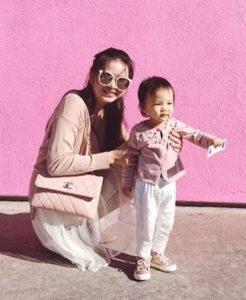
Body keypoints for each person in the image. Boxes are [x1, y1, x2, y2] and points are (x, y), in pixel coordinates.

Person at [29, 48, 183, 272]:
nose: (113, 86)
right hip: (52, 204)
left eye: (122, 82)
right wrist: (110, 157)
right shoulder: (74, 103)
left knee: (137, 161)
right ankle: (75, 232)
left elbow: (134, 147)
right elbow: (56, 164)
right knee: (124, 165)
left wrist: (169, 141)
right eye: (106, 77)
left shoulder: (111, 111)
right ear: (92, 76)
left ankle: (150, 247)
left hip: (75, 196)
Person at [121, 76, 223, 281]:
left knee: (166, 220)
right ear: (143, 107)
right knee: (146, 222)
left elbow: (195, 134)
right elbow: (130, 157)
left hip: (169, 183)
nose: (164, 108)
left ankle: (157, 253)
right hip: (146, 185)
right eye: (158, 103)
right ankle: (142, 257)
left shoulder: (175, 125)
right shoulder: (139, 132)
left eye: (169, 103)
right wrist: (126, 182)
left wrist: (211, 140)